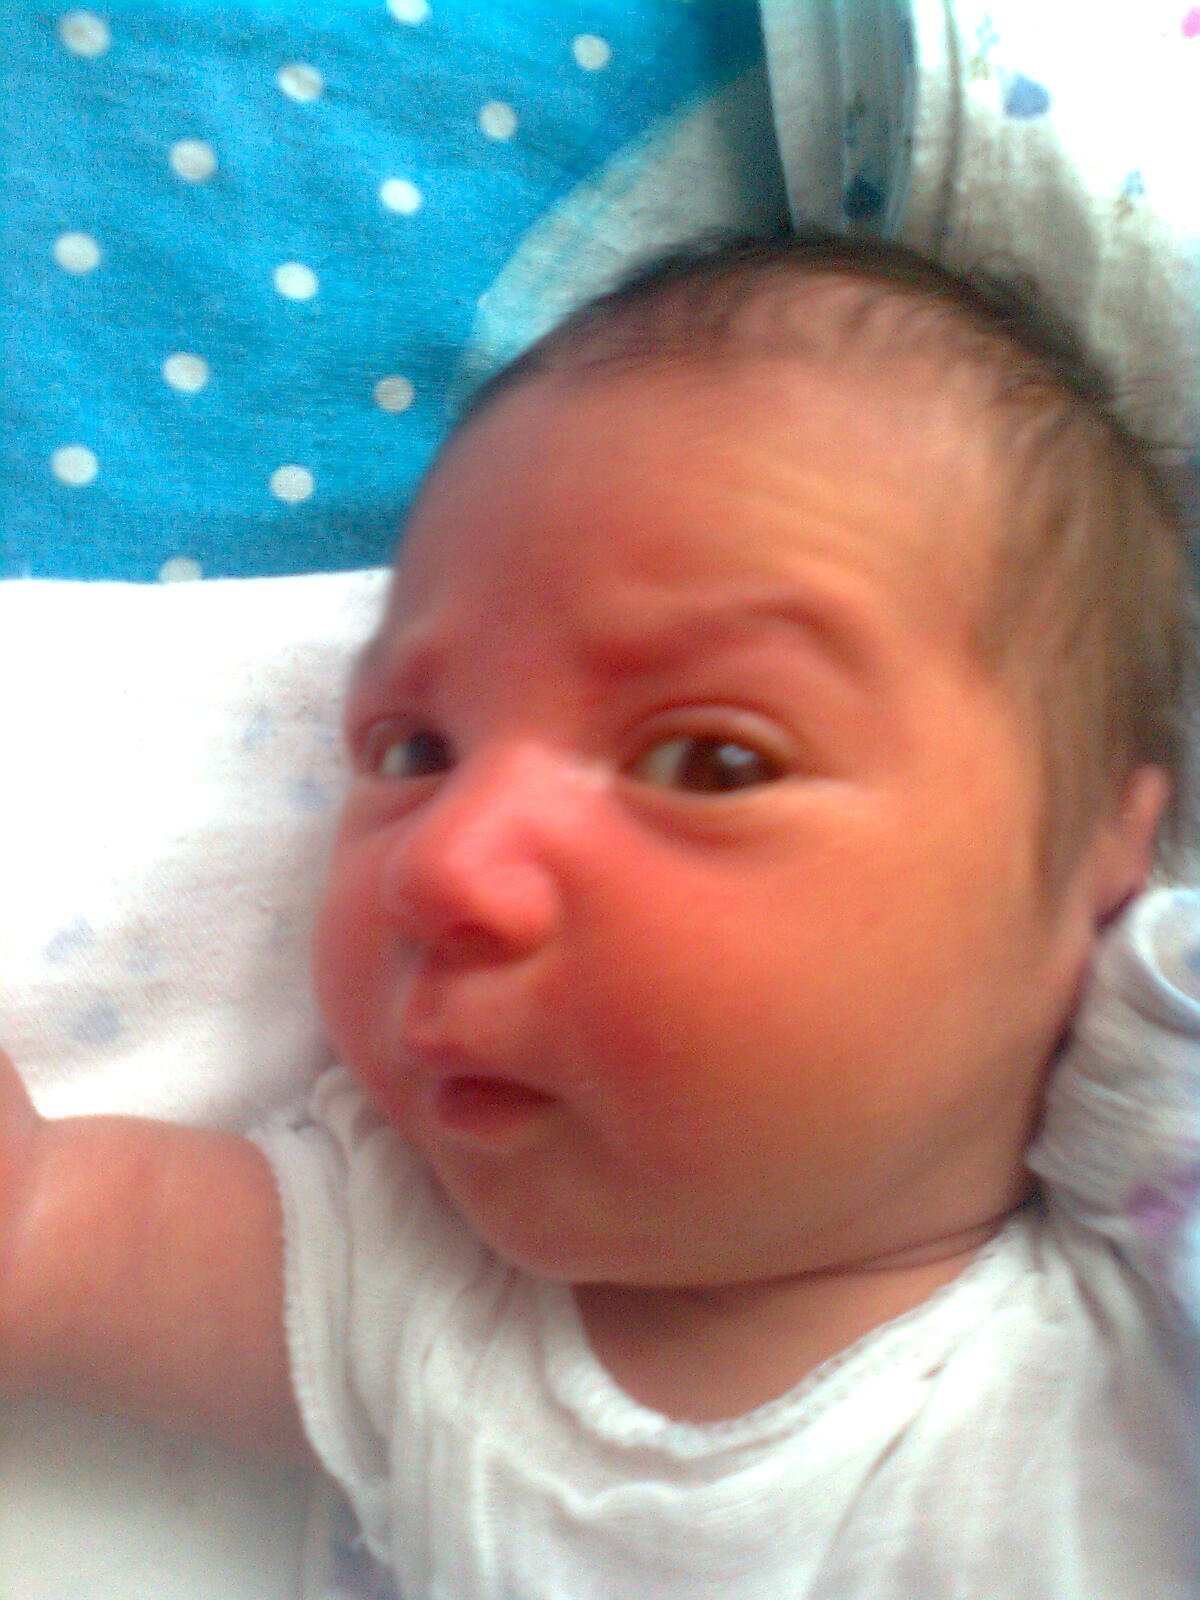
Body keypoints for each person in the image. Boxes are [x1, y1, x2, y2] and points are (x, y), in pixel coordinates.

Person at [1, 231, 1198, 1596]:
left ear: (1110, 855)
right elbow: (39, 1232)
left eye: (712, 762)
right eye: (414, 751)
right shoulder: (417, 1291)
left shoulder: (1137, 1340)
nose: (442, 863)